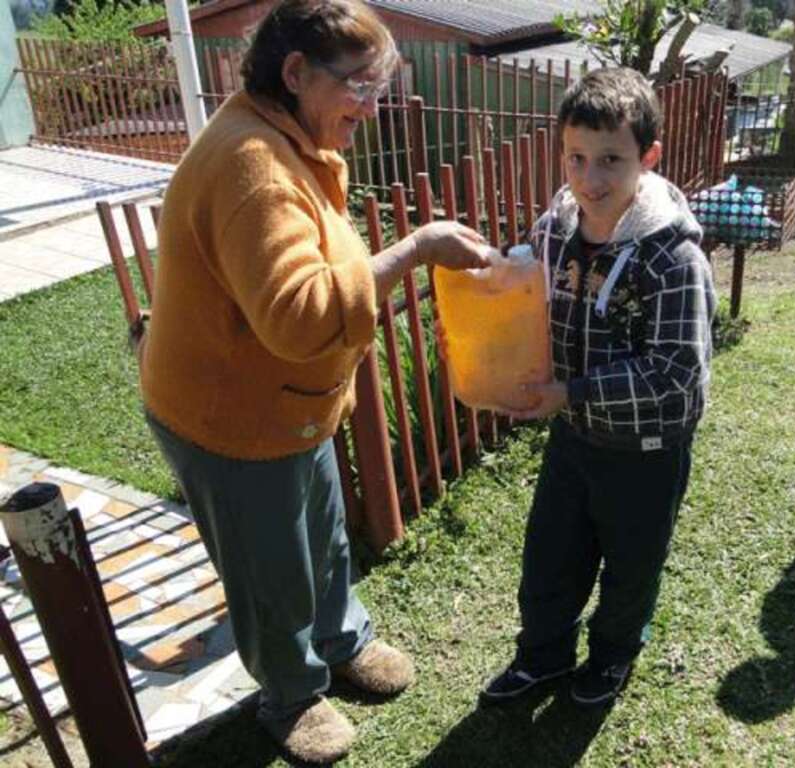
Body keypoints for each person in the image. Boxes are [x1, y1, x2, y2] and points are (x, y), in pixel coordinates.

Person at [139, 0, 495, 762]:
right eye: (359, 87)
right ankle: (291, 694)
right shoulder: (252, 167)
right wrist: (413, 250)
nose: (372, 106)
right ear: (295, 73)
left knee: (323, 535)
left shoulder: (285, 137)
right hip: (228, 417)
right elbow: (298, 319)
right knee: (269, 564)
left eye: (378, 88)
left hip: (293, 404)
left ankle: (342, 640)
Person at [478, 67, 716, 707]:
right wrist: (488, 285)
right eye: (576, 158)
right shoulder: (557, 227)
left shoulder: (673, 258)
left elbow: (676, 374)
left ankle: (611, 658)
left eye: (611, 159)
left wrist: (571, 392)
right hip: (574, 438)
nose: (590, 179)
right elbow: (526, 287)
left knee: (630, 571)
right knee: (549, 559)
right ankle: (543, 657)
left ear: (649, 157)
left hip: (646, 450)